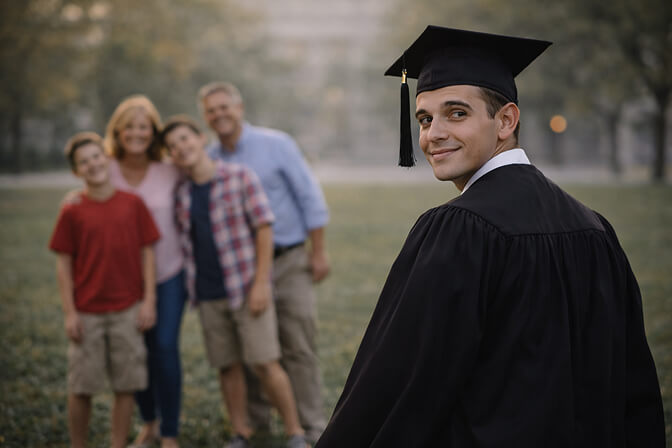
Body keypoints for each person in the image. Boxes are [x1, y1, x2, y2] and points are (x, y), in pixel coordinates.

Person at [316, 26, 665, 447]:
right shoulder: (594, 228)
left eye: (457, 113)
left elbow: (400, 382)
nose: (433, 134)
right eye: (425, 119)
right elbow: (633, 385)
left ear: (505, 120)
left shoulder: (459, 230)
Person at [162, 115, 309, 448]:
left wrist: (260, 283)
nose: (180, 148)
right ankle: (241, 432)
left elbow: (264, 227)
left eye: (185, 139)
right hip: (209, 293)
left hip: (245, 288)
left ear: (201, 139)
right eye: (172, 147)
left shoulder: (239, 177)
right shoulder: (182, 193)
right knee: (227, 367)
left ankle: (295, 432)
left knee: (265, 362)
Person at [198, 81, 330, 443]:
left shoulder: (276, 144)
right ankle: (256, 425)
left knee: (297, 343)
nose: (219, 114)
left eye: (225, 107)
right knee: (252, 348)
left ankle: (312, 426)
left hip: (287, 260)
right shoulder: (209, 159)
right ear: (205, 117)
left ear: (239, 108)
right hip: (241, 267)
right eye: (211, 110)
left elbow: (309, 197)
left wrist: (317, 251)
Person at [49, 132, 160, 448]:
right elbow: (64, 264)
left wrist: (148, 300)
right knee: (82, 386)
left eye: (96, 157)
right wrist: (70, 312)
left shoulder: (132, 204)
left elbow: (147, 253)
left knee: (126, 385)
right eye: (84, 162)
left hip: (128, 310)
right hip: (87, 312)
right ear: (76, 171)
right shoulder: (72, 210)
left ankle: (117, 444)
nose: (93, 164)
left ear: (107, 159)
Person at [103, 95, 186, 448]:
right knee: (133, 352)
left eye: (144, 127)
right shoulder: (105, 169)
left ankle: (169, 432)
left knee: (164, 349)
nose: (137, 133)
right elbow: (83, 200)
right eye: (130, 127)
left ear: (153, 132)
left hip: (169, 273)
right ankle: (148, 422)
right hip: (123, 279)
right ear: (118, 131)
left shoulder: (170, 169)